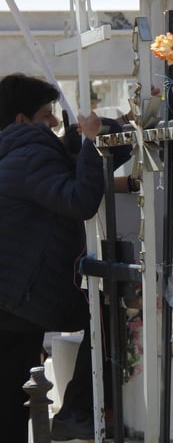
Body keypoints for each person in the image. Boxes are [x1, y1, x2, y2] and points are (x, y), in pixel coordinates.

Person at [0, 74, 105, 443]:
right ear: (21, 121)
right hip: (21, 299)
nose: (56, 122)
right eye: (47, 115)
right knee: (106, 314)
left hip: (14, 297)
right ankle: (76, 412)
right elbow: (79, 199)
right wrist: (92, 142)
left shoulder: (16, 153)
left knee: (9, 404)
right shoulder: (31, 155)